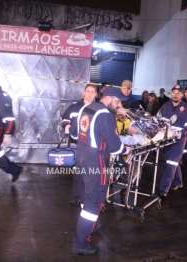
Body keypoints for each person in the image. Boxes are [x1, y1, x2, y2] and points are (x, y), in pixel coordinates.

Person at [69, 86, 130, 256]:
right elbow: (116, 147)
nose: (118, 105)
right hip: (96, 162)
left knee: (86, 198)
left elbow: (74, 134)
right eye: (117, 101)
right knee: (94, 202)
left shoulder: (85, 107)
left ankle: (90, 226)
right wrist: (126, 150)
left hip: (80, 159)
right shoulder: (104, 114)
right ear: (109, 98)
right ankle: (80, 242)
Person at [62, 84, 97, 207]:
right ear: (84, 93)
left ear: (96, 94)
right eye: (88, 91)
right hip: (76, 144)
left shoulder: (98, 109)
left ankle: (89, 197)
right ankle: (76, 196)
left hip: (92, 147)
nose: (90, 94)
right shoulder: (74, 107)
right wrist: (67, 126)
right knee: (78, 172)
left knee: (91, 173)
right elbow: (66, 119)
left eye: (92, 92)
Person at [157, 85, 187, 198]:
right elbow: (158, 117)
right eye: (173, 93)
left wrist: (181, 133)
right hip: (167, 139)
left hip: (179, 139)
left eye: (178, 93)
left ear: (182, 95)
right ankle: (178, 182)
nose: (175, 95)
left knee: (172, 163)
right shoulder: (165, 106)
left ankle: (163, 189)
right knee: (172, 162)